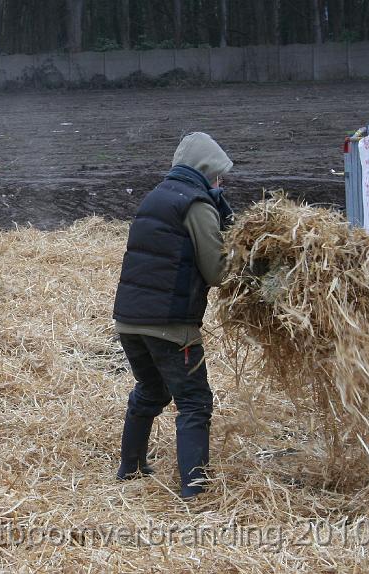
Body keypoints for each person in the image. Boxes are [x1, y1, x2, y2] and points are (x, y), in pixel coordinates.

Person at [112, 132, 234, 498]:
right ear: (206, 169)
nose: (220, 182)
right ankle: (194, 488)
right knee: (195, 402)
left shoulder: (156, 196)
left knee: (151, 389)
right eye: (218, 175)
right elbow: (216, 271)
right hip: (171, 325)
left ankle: (129, 466)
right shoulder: (196, 203)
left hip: (129, 321)